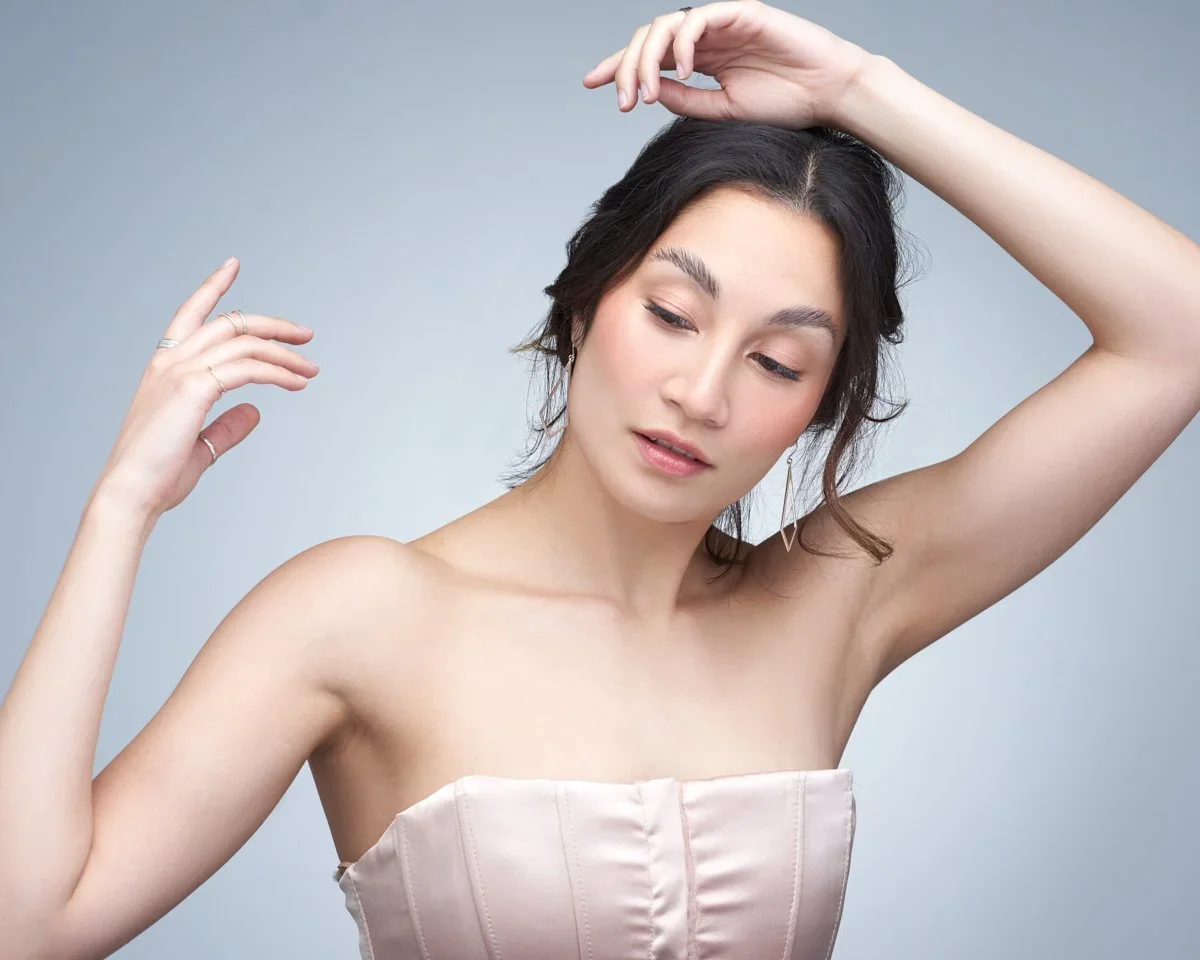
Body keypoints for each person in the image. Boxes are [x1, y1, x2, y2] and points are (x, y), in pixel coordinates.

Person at [3, 2, 1198, 958]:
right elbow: (33, 925)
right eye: (674, 314)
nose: (704, 392)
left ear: (817, 408)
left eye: (779, 360)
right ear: (585, 301)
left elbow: (1179, 332)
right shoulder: (359, 612)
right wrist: (119, 511)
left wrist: (859, 92)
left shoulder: (841, 598)